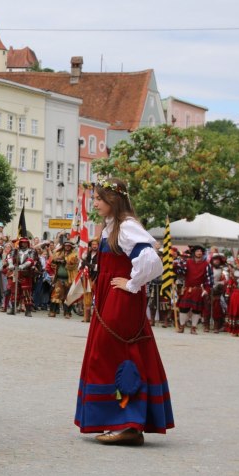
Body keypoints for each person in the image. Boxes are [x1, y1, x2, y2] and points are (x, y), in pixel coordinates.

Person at [75, 178, 173, 446]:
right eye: (95, 198)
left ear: (113, 200)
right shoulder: (113, 226)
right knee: (110, 353)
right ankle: (121, 419)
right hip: (111, 296)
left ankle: (128, 423)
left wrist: (131, 283)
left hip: (122, 299)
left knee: (116, 352)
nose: (95, 203)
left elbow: (151, 260)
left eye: (99, 199)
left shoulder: (128, 226)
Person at [177, 245, 210, 334]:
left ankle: (193, 328)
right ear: (194, 253)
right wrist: (176, 266)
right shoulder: (188, 262)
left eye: (201, 251)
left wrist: (207, 290)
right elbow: (181, 273)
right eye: (197, 251)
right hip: (188, 289)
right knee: (183, 308)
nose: (199, 253)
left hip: (198, 289)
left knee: (197, 310)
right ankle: (182, 326)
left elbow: (209, 278)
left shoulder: (206, 264)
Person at [48, 241, 79, 319]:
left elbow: (73, 266)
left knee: (68, 296)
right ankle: (52, 311)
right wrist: (56, 261)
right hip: (59, 278)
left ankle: (67, 313)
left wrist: (65, 261)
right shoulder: (59, 253)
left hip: (69, 279)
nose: (67, 247)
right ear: (64, 246)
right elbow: (52, 263)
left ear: (71, 247)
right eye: (66, 246)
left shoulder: (74, 255)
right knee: (56, 294)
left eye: (69, 246)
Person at [206, 254, 228, 333]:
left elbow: (226, 280)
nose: (216, 261)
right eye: (215, 260)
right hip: (208, 290)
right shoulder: (207, 269)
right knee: (206, 309)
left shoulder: (223, 271)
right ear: (212, 261)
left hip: (217, 292)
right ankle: (206, 326)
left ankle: (216, 326)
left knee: (217, 310)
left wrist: (220, 284)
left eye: (218, 260)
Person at [79, 239, 100, 323]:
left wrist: (88, 265)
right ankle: (86, 317)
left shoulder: (100, 255)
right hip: (87, 277)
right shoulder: (87, 254)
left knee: (96, 297)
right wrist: (83, 265)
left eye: (96, 244)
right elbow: (82, 265)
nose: (94, 246)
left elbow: (98, 267)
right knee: (87, 297)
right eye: (93, 244)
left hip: (97, 278)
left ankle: (96, 318)